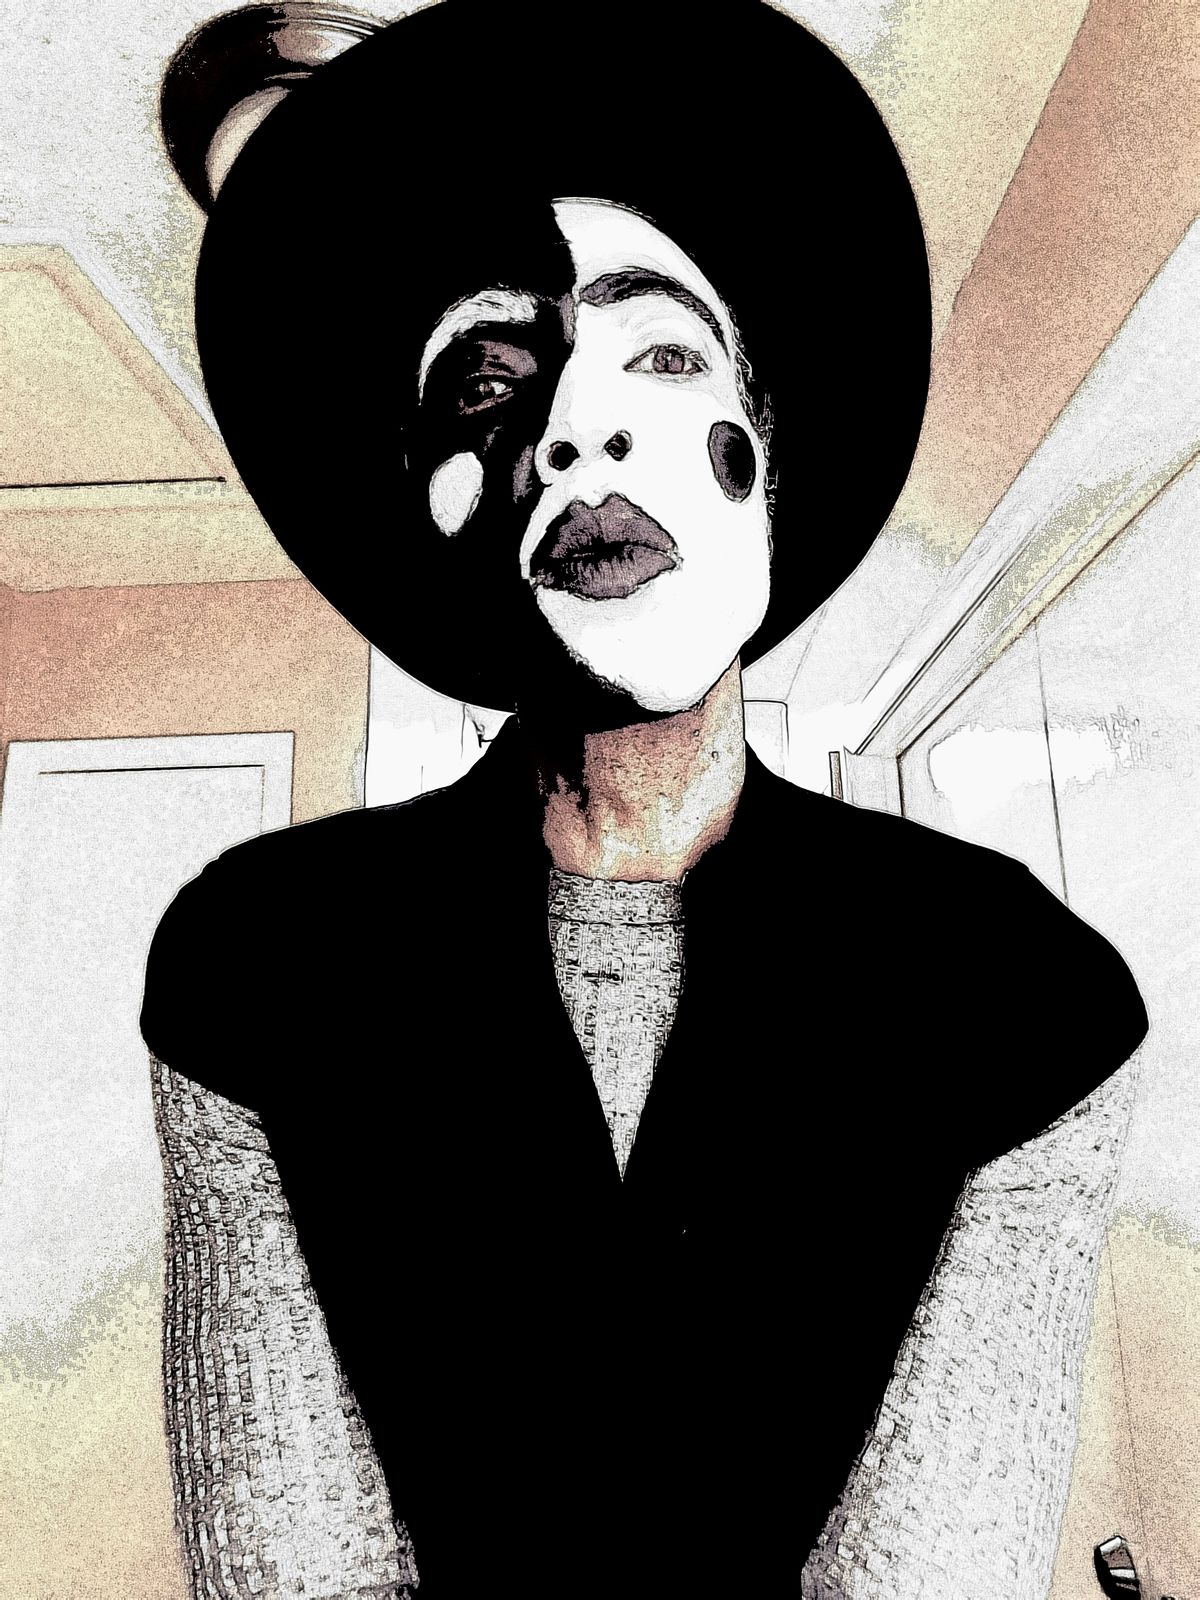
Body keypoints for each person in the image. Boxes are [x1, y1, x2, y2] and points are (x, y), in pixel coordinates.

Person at [139, 3, 1148, 1593]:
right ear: (431, 503)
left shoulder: (1024, 991)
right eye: (488, 386)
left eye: (661, 352)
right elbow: (290, 1559)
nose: (574, 431)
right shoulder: (256, 964)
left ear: (769, 433)